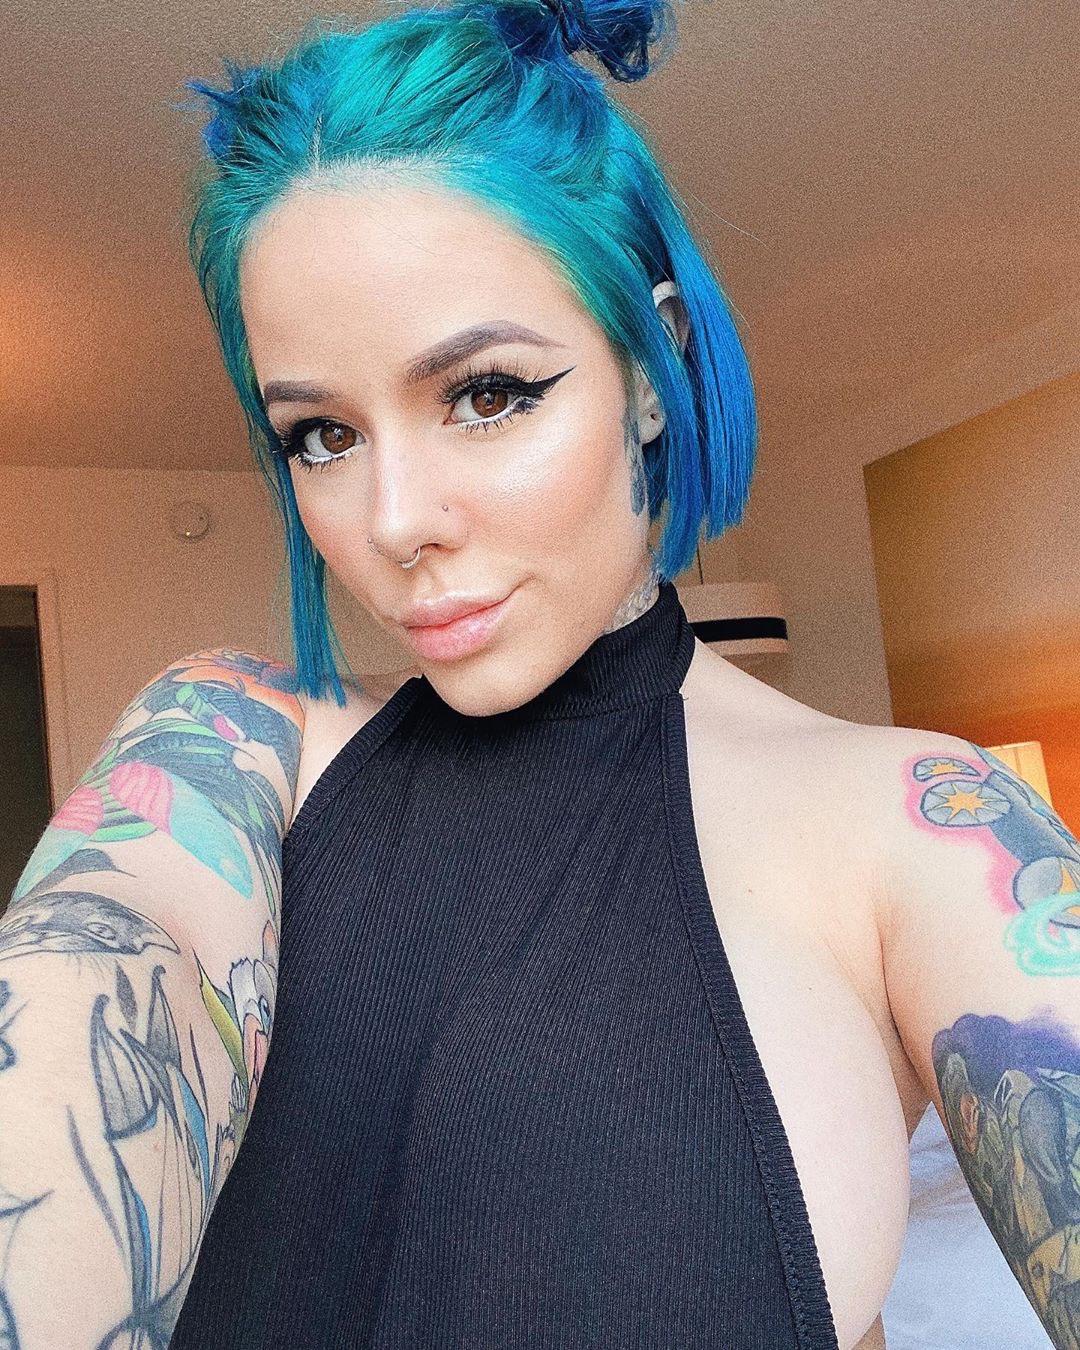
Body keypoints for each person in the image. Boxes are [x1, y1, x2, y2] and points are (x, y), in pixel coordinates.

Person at [1, 1, 1077, 1346]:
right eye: (322, 433)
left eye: (488, 394)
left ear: (650, 370)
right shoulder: (233, 746)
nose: (394, 521)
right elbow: (95, 976)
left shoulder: (920, 828)